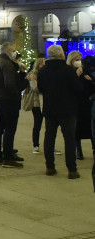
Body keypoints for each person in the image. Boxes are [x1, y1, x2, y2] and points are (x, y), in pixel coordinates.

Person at [37, 45, 81, 178]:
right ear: (62, 55)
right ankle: (72, 170)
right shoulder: (68, 70)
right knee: (69, 139)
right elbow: (78, 89)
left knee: (49, 138)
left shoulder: (43, 71)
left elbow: (41, 88)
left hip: (50, 109)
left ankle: (50, 167)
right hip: (67, 110)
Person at [0, 42, 27, 167]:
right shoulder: (7, 64)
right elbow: (11, 86)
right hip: (9, 100)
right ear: (8, 51)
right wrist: (26, 81)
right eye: (14, 50)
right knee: (10, 128)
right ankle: (8, 158)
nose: (15, 52)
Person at [67, 51, 95, 160]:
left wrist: (91, 80)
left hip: (87, 102)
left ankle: (93, 150)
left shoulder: (85, 69)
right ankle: (79, 151)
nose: (79, 61)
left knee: (90, 128)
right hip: (76, 104)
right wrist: (77, 75)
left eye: (80, 59)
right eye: (77, 60)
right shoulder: (69, 71)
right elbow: (69, 87)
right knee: (77, 129)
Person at [26, 58, 45, 153]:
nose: (43, 66)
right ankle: (35, 145)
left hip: (46, 102)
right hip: (36, 103)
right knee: (37, 124)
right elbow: (35, 87)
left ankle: (49, 145)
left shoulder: (46, 73)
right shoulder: (33, 74)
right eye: (42, 64)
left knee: (50, 125)